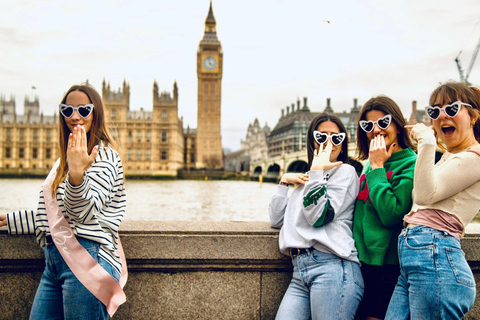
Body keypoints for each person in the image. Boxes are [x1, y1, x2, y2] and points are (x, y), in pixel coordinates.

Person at [0, 84, 127, 319]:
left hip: (87, 258)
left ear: (96, 113)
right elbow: (56, 215)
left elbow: (82, 212)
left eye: (84, 109)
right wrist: (9, 219)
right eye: (67, 110)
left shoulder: (106, 157)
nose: (75, 116)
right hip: (55, 262)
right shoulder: (65, 160)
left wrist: (77, 176)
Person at [385, 82, 480, 319]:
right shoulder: (451, 157)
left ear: (474, 117)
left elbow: (424, 195)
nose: (441, 116)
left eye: (452, 108)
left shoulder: (476, 157)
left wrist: (427, 142)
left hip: (436, 261)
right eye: (435, 111)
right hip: (419, 262)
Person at [269, 113, 363, 320]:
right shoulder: (310, 178)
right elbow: (277, 220)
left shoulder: (346, 172)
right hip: (299, 271)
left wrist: (317, 172)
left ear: (342, 143)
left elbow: (318, 216)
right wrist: (284, 182)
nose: (329, 142)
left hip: (333, 267)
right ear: (312, 140)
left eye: (336, 137)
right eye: (322, 136)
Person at [353, 96, 417, 320]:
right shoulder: (367, 164)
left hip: (385, 266)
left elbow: (392, 214)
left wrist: (379, 166)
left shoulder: (410, 163)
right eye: (368, 125)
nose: (375, 130)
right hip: (358, 262)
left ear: (397, 125)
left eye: (383, 122)